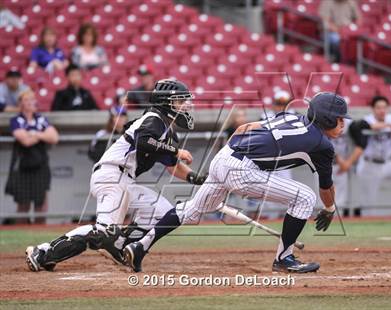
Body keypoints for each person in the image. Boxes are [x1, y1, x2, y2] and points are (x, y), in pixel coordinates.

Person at [124, 92, 350, 273]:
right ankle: (284, 259)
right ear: (327, 118)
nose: (343, 124)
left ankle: (139, 246)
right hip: (242, 170)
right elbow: (326, 186)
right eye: (340, 119)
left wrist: (229, 159)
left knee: (192, 210)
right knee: (305, 197)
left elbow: (244, 128)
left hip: (225, 156)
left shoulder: (290, 117)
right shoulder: (323, 144)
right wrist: (330, 209)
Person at [25, 79, 207, 272]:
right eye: (179, 101)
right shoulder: (152, 119)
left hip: (126, 181)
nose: (185, 105)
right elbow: (144, 142)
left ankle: (121, 246)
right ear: (166, 102)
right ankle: (43, 252)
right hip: (111, 174)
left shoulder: (167, 132)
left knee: (162, 212)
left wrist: (198, 179)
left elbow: (173, 167)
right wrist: (176, 151)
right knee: (104, 232)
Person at [5, 90, 59, 224]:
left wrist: (34, 133)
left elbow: (54, 137)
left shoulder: (41, 118)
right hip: (23, 167)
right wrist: (41, 134)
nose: (30, 102)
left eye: (32, 99)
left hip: (40, 165)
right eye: (27, 100)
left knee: (41, 204)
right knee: (23, 204)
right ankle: (21, 234)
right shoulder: (16, 120)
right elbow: (25, 141)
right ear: (20, 103)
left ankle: (41, 239)